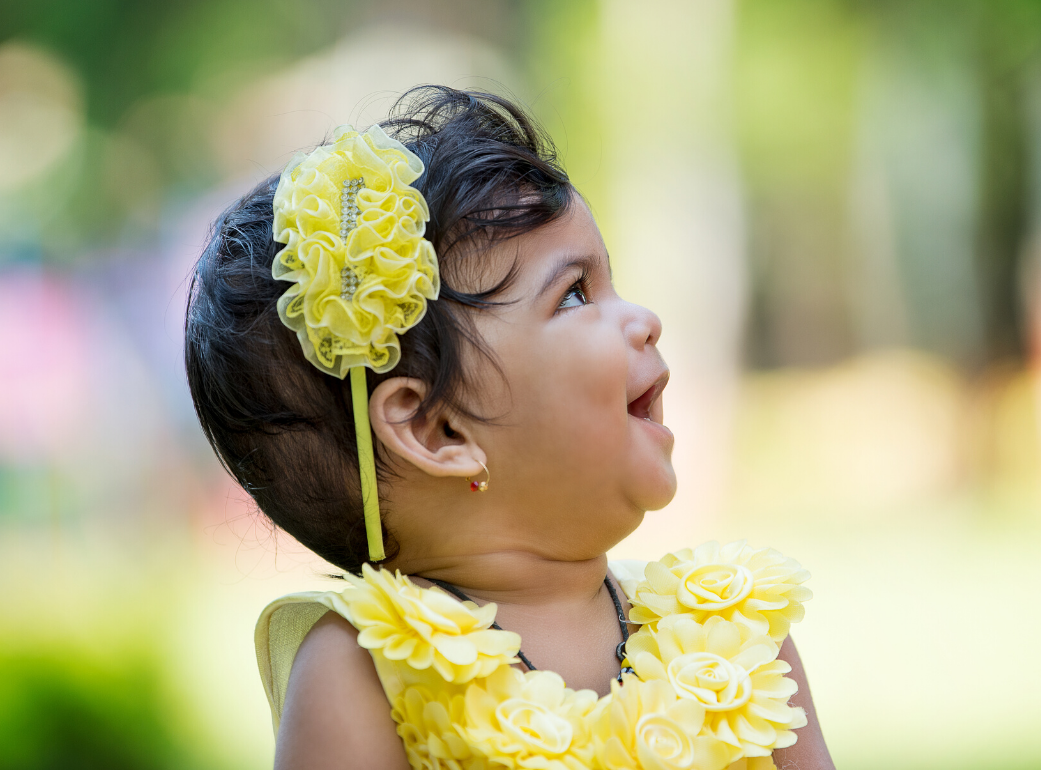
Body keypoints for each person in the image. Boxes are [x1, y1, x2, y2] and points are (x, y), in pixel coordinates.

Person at [184, 86, 834, 770]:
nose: (644, 319)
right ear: (437, 431)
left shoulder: (732, 642)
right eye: (576, 294)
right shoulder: (366, 674)